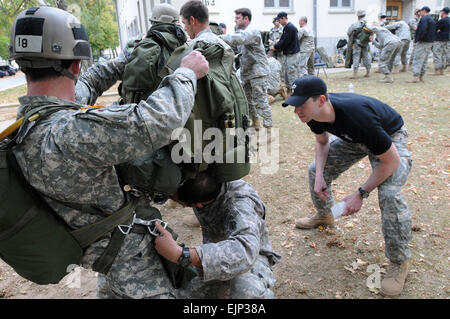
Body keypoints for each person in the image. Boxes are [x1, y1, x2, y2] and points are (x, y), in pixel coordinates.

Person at [9, 6, 209, 299]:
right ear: (76, 65)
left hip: (100, 253)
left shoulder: (28, 121)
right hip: (132, 260)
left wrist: (125, 60)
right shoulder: (74, 132)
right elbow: (158, 121)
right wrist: (187, 73)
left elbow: (88, 85)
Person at [283, 75, 413, 297]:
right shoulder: (312, 115)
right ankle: (325, 215)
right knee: (315, 169)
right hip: (355, 139)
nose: (297, 111)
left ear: (322, 100)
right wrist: (320, 176)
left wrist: (360, 194)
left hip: (389, 139)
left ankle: (399, 262)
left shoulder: (358, 117)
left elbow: (391, 161)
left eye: (301, 104)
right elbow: (322, 142)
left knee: (389, 194)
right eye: (294, 105)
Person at [154, 172, 281, 299]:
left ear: (197, 205)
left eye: (177, 200)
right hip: (216, 254)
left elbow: (246, 251)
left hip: (251, 258)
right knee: (186, 295)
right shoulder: (205, 178)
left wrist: (182, 255)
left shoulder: (240, 203)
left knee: (246, 291)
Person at [119, 3, 187, 104]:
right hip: (180, 107)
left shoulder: (149, 45)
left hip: (153, 110)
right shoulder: (184, 44)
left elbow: (132, 84)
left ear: (155, 22)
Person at [220, 8, 273, 136]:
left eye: (238, 17)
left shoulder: (251, 31)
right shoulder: (241, 32)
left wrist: (216, 37)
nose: (235, 20)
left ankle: (269, 132)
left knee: (261, 102)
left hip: (258, 73)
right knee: (248, 102)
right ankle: (256, 127)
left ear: (246, 18)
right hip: (247, 73)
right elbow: (234, 48)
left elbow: (238, 39)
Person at [270, 11, 300, 92]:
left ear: (283, 18)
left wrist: (275, 47)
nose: (279, 22)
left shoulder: (290, 27)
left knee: (291, 73)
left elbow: (285, 42)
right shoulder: (287, 27)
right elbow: (282, 39)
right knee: (288, 73)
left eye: (279, 20)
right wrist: (277, 43)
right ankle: (290, 89)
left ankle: (295, 91)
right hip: (289, 53)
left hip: (292, 54)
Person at [407, 6, 436, 83]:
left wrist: (419, 38)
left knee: (418, 59)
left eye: (421, 11)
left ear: (424, 11)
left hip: (423, 42)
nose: (420, 13)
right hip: (429, 42)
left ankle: (415, 77)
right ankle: (421, 76)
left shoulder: (424, 19)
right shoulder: (431, 19)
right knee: (424, 60)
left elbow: (422, 30)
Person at [347, 10, 372, 79]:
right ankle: (368, 72)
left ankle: (355, 74)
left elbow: (349, 33)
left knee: (356, 57)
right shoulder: (368, 23)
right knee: (366, 57)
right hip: (365, 42)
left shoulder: (355, 24)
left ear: (358, 16)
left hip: (357, 43)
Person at [432, 7, 449, 75]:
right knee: (443, 55)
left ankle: (437, 70)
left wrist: (438, 30)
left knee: (437, 54)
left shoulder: (442, 20)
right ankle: (442, 70)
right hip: (447, 39)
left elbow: (435, 28)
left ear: (443, 12)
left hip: (439, 39)